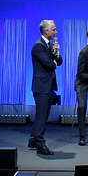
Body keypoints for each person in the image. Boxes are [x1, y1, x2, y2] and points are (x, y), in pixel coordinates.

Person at [28, 20, 62, 155]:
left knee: (42, 115)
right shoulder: (38, 46)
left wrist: (56, 52)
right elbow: (49, 64)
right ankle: (40, 144)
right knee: (42, 116)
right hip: (41, 86)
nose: (56, 32)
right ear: (46, 31)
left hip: (48, 85)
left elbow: (59, 62)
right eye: (54, 30)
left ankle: (33, 139)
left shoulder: (49, 45)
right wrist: (53, 61)